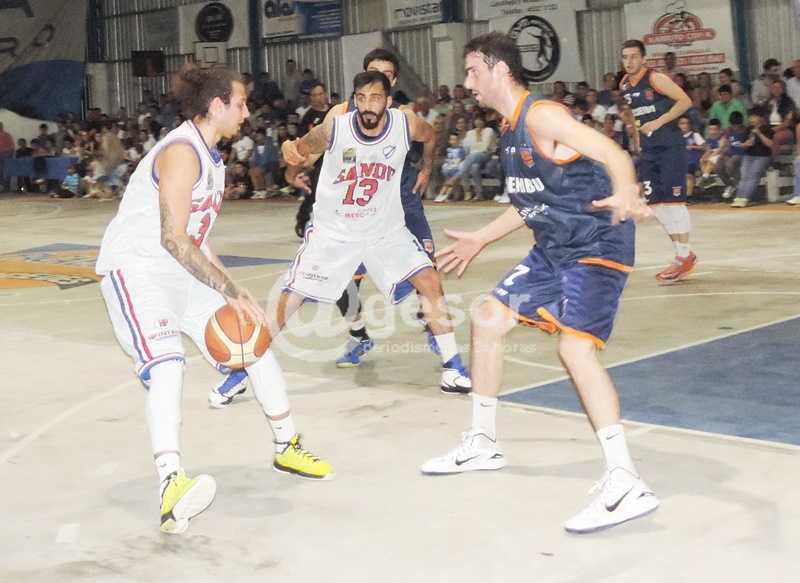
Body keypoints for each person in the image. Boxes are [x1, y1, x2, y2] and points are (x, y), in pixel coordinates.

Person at [421, 33, 658, 535]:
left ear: (499, 70)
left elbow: (612, 151)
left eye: (472, 71)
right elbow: (530, 201)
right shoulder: (510, 130)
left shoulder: (541, 116)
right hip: (553, 249)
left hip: (596, 244)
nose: (467, 82)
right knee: (487, 319)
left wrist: (625, 190)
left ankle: (625, 480)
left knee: (575, 350)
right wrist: (481, 239)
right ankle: (483, 442)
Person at [95, 64, 332, 535]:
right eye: (240, 104)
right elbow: (172, 238)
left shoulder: (213, 157)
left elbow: (197, 239)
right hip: (139, 271)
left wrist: (232, 289)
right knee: (168, 366)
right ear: (217, 104)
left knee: (252, 336)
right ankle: (171, 485)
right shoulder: (181, 153)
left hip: (182, 271)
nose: (246, 113)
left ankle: (286, 446)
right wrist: (226, 287)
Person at [271, 72, 468, 391]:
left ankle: (453, 368)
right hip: (336, 231)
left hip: (383, 229)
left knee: (430, 281)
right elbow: (300, 150)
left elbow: (430, 134)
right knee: (292, 297)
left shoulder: (405, 124)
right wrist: (292, 171)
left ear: (388, 101)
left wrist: (427, 168)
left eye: (375, 98)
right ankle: (244, 365)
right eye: (361, 98)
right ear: (354, 100)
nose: (367, 105)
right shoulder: (336, 127)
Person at [619, 39, 695, 283]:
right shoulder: (624, 85)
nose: (629, 61)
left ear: (643, 58)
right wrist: (636, 136)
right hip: (649, 149)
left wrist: (659, 122)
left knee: (674, 202)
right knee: (656, 204)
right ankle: (683, 254)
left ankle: (683, 256)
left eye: (633, 56)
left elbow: (685, 101)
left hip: (670, 146)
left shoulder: (655, 79)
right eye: (625, 57)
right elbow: (633, 113)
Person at [731, 108, 774, 208]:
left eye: (753, 116)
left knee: (753, 175)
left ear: (760, 118)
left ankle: (745, 198)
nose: (751, 119)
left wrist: (759, 133)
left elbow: (770, 144)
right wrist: (745, 144)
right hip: (749, 155)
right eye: (750, 116)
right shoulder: (748, 129)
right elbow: (744, 144)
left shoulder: (768, 129)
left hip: (763, 156)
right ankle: (738, 197)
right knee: (744, 176)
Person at [679, 116, 705, 197]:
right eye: (682, 123)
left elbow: (705, 147)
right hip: (681, 162)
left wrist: (693, 147)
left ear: (690, 125)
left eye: (687, 123)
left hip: (693, 162)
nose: (685, 125)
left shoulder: (695, 135)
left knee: (687, 173)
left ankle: (688, 196)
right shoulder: (676, 137)